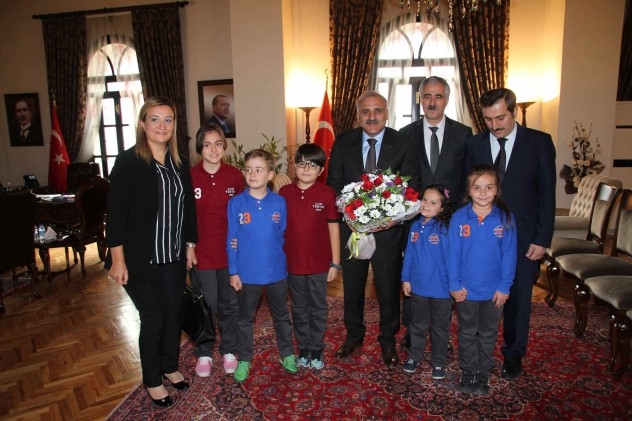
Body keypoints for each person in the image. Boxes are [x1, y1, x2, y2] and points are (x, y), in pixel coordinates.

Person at [105, 96, 197, 408]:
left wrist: (190, 245)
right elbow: (115, 215)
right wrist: (118, 260)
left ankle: (170, 366)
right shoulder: (129, 161)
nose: (161, 125)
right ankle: (153, 380)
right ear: (143, 124)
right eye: (154, 119)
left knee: (174, 314)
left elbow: (188, 209)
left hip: (173, 256)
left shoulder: (179, 162)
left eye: (168, 119)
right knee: (154, 316)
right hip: (138, 260)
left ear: (174, 125)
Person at [465, 88, 556, 380]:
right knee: (480, 297)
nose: (494, 125)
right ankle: (476, 352)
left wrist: (542, 238)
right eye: (488, 119)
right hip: (481, 239)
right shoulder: (474, 144)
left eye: (500, 117)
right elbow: (467, 191)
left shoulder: (539, 143)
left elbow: (547, 195)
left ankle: (514, 354)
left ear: (514, 111)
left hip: (525, 239)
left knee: (518, 299)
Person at [327, 90, 421, 367]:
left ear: (387, 113)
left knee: (388, 288)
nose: (372, 116)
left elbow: (412, 186)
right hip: (352, 230)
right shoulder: (343, 142)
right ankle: (354, 335)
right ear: (358, 115)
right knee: (353, 285)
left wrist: (396, 218)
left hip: (388, 233)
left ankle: (388, 339)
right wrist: (349, 212)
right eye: (365, 111)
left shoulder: (403, 143)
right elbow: (334, 184)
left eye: (377, 110)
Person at [399, 75, 473, 348]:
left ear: (447, 100)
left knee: (447, 272)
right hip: (415, 218)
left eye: (438, 96)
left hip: (450, 220)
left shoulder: (463, 134)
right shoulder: (405, 133)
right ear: (420, 99)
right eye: (427, 96)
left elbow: (467, 178)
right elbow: (402, 180)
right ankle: (412, 331)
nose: (432, 102)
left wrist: (456, 214)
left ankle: (442, 331)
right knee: (415, 271)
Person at [226, 149, 296, 382]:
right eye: (248, 170)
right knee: (245, 318)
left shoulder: (279, 202)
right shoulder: (236, 203)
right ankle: (244, 358)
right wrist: (233, 271)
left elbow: (281, 233)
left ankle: (287, 354)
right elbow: (232, 238)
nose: (252, 174)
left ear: (270, 175)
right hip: (247, 274)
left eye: (258, 170)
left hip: (276, 272)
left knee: (281, 315)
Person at [448, 164, 517, 395]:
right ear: (469, 191)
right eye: (477, 187)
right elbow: (453, 254)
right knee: (467, 331)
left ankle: (482, 371)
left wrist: (504, 287)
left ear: (497, 190)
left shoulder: (506, 219)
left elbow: (509, 255)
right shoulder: (459, 218)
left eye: (489, 187)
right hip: (466, 290)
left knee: (488, 333)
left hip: (494, 291)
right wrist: (454, 285)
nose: (483, 192)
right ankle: (468, 370)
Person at [189, 122, 244, 377]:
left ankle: (229, 349)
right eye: (207, 144)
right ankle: (204, 352)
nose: (213, 150)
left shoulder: (234, 176)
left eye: (218, 144)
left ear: (224, 146)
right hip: (201, 253)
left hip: (230, 253)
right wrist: (188, 247)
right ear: (200, 148)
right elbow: (185, 218)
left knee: (229, 304)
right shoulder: (190, 176)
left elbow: (242, 215)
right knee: (206, 304)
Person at [279, 143, 341, 370]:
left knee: (318, 307)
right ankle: (303, 347)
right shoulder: (284, 193)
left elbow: (334, 229)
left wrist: (335, 263)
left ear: (321, 170)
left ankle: (316, 347)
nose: (306, 169)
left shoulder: (327, 193)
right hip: (292, 263)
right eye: (302, 164)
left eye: (312, 165)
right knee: (298, 307)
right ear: (295, 166)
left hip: (319, 265)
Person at [401, 184, 454, 379]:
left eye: (433, 202)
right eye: (424, 200)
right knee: (417, 325)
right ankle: (414, 356)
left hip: (442, 291)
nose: (426, 205)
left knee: (440, 328)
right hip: (419, 288)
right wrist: (405, 279)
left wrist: (454, 284)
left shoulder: (444, 229)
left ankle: (439, 362)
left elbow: (452, 259)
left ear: (442, 208)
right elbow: (409, 255)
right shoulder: (415, 226)